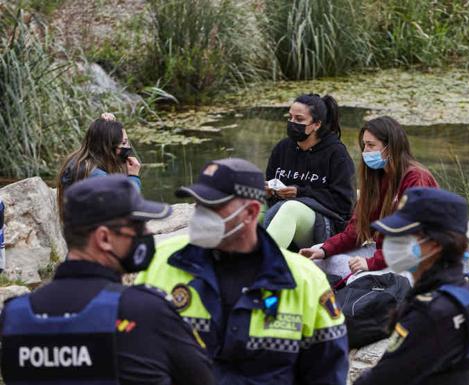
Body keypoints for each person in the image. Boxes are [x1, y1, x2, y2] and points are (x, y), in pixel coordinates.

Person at [135, 158, 349, 385]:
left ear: (250, 212)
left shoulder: (304, 279)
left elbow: (328, 372)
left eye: (213, 206)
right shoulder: (161, 261)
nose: (200, 215)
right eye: (198, 204)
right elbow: (134, 353)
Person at [0, 175, 215, 385]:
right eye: (137, 226)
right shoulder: (147, 312)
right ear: (104, 238)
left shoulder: (15, 317)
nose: (147, 233)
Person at [354, 187, 469, 385]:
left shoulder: (432, 312)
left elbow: (381, 379)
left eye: (403, 236)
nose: (391, 243)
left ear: (434, 244)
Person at [300, 116, 438, 277]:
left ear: (391, 147)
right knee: (316, 256)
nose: (365, 151)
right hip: (386, 255)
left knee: (361, 276)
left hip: (417, 260)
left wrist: (371, 263)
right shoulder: (377, 178)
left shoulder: (416, 179)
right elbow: (356, 230)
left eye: (371, 145)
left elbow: (411, 240)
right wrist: (325, 250)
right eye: (364, 145)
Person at [264, 93, 355, 250]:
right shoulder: (283, 148)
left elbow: (344, 203)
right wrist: (268, 192)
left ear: (316, 124)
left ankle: (261, 267)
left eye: (299, 119)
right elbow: (270, 181)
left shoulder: (336, 153)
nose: (292, 123)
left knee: (291, 208)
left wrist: (300, 192)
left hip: (324, 223)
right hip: (279, 208)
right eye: (290, 117)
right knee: (247, 205)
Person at [56, 113, 141, 220]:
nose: (127, 147)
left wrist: (107, 125)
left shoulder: (77, 161)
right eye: (124, 143)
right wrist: (133, 177)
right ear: (108, 146)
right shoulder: (96, 176)